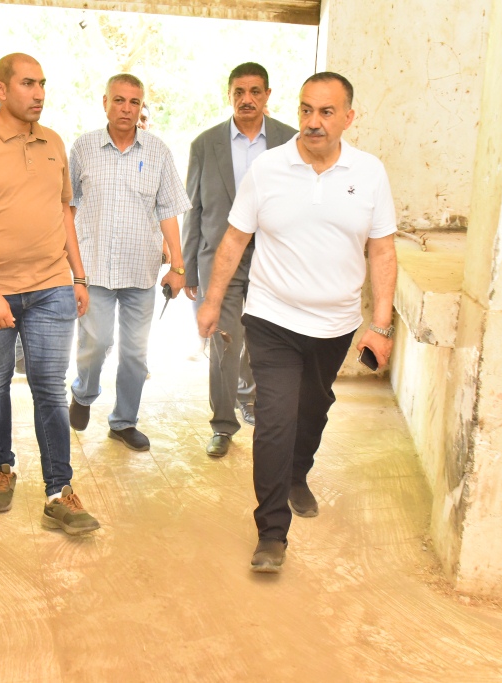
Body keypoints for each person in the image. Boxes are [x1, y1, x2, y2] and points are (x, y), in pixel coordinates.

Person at [197, 72, 398, 573]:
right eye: (306, 110)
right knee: (275, 419)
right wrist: (211, 301)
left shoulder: (369, 173)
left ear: (348, 117)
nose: (313, 122)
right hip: (272, 317)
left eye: (326, 112)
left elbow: (382, 250)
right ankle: (271, 532)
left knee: (313, 408)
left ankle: (297, 474)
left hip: (335, 325)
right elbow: (234, 240)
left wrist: (380, 325)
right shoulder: (267, 168)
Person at [0, 53, 100, 535]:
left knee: (50, 387)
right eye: (28, 84)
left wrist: (78, 275)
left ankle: (59, 492)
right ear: (1, 90)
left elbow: (63, 211)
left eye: (43, 84)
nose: (39, 93)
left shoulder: (53, 142)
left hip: (51, 286)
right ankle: (2, 467)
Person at [66, 74, 190, 451]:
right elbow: (68, 207)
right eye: (118, 100)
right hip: (95, 268)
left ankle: (123, 421)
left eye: (134, 102)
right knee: (97, 342)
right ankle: (83, 393)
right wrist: (69, 265)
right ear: (105, 102)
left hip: (140, 270)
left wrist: (178, 266)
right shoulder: (83, 148)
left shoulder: (158, 151)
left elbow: (168, 210)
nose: (126, 108)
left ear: (141, 107)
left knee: (136, 354)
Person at [182, 62, 297, 456]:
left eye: (255, 91)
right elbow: (194, 209)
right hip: (221, 260)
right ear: (229, 95)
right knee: (223, 340)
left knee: (264, 338)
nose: (247, 99)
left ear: (267, 95)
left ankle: (250, 397)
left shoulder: (290, 140)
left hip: (272, 259)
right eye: (239, 92)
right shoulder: (205, 144)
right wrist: (189, 267)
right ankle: (222, 424)